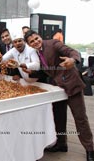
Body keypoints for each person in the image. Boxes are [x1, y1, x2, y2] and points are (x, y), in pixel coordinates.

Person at [25, 30, 94, 161]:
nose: (35, 42)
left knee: (80, 118)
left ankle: (90, 149)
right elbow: (46, 72)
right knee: (59, 117)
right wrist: (30, 72)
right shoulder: (35, 54)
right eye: (32, 41)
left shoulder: (54, 43)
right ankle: (61, 144)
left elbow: (73, 52)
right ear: (29, 45)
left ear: (40, 37)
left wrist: (72, 60)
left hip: (72, 84)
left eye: (36, 38)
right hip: (57, 89)